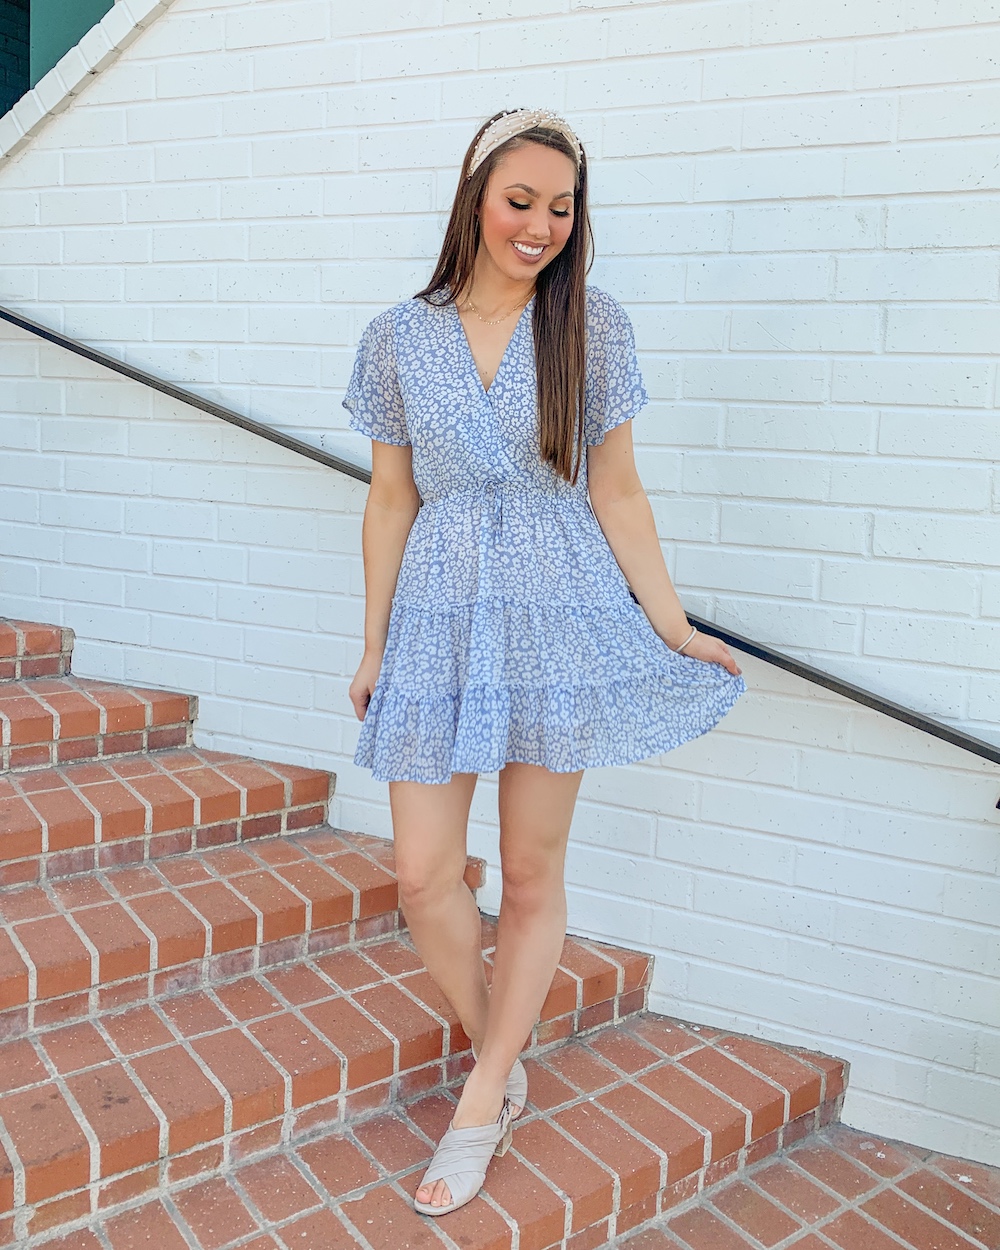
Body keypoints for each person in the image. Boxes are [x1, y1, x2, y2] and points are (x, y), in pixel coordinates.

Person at [344, 108, 746, 1217]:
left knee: (527, 873)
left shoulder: (592, 326)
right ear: (474, 197)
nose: (540, 224)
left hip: (556, 606)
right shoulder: (396, 336)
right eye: (520, 199)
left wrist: (667, 624)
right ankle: (499, 1044)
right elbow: (390, 497)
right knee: (424, 874)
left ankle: (481, 1097)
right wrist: (375, 639)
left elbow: (615, 487)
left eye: (561, 207)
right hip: (436, 612)